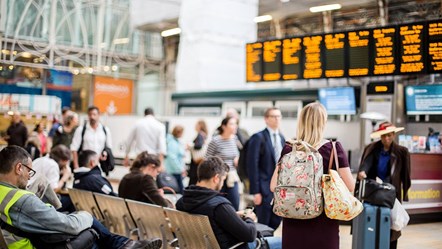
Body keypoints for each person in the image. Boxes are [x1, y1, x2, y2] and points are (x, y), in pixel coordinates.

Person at [0, 145, 162, 249]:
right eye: (29, 171)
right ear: (19, 168)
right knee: (90, 232)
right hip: (33, 244)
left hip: (19, 237)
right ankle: (125, 244)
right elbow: (69, 225)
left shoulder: (5, 193)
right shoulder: (22, 200)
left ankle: (125, 245)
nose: (30, 176)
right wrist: (87, 216)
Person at [270, 102, 354, 249]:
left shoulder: (289, 148)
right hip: (324, 225)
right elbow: (350, 186)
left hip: (292, 223)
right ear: (323, 123)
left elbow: (273, 186)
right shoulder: (334, 149)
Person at [176, 156, 282, 249]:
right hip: (236, 246)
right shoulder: (219, 205)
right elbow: (249, 235)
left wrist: (233, 215)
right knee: (284, 242)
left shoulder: (182, 202)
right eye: (223, 179)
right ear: (216, 178)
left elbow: (211, 217)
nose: (222, 185)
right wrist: (249, 218)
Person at [357, 121, 411, 249]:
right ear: (380, 136)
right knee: (372, 223)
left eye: (389, 135)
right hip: (374, 193)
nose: (386, 138)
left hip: (392, 195)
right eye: (383, 136)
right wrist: (362, 172)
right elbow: (366, 164)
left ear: (393, 134)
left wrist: (405, 193)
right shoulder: (371, 148)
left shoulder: (402, 152)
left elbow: (406, 175)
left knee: (392, 226)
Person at [246, 107, 285, 230]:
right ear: (266, 119)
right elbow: (252, 165)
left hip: (278, 188)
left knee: (276, 220)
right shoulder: (258, 137)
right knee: (263, 224)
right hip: (263, 188)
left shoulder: (282, 138)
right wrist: (255, 191)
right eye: (273, 116)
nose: (277, 119)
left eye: (279, 116)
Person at [206, 116, 241, 210]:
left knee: (235, 204)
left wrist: (237, 158)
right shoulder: (216, 141)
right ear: (224, 126)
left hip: (232, 176)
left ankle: (234, 223)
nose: (235, 126)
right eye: (232, 124)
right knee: (219, 204)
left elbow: (237, 154)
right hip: (219, 177)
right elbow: (207, 159)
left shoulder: (235, 139)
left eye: (236, 124)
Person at [165, 125, 186, 194]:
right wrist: (180, 169)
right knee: (179, 191)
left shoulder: (175, 142)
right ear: (179, 133)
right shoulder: (172, 143)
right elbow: (172, 158)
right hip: (174, 171)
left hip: (176, 170)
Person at [188, 120, 208, 185]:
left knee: (193, 181)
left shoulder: (200, 134)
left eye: (196, 125)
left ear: (200, 126)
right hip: (200, 161)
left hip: (196, 162)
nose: (195, 126)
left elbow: (198, 146)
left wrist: (190, 146)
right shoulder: (204, 134)